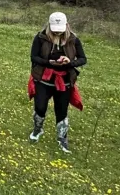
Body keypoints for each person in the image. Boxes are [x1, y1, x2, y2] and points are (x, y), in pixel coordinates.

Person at [28, 12, 87, 153]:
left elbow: (83, 59)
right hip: (44, 79)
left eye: (60, 30)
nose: (57, 32)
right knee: (40, 107)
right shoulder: (40, 37)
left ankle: (62, 139)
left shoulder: (73, 40)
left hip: (65, 81)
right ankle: (37, 130)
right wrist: (48, 62)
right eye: (55, 30)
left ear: (66, 26)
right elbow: (33, 57)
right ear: (49, 26)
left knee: (61, 110)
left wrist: (70, 62)